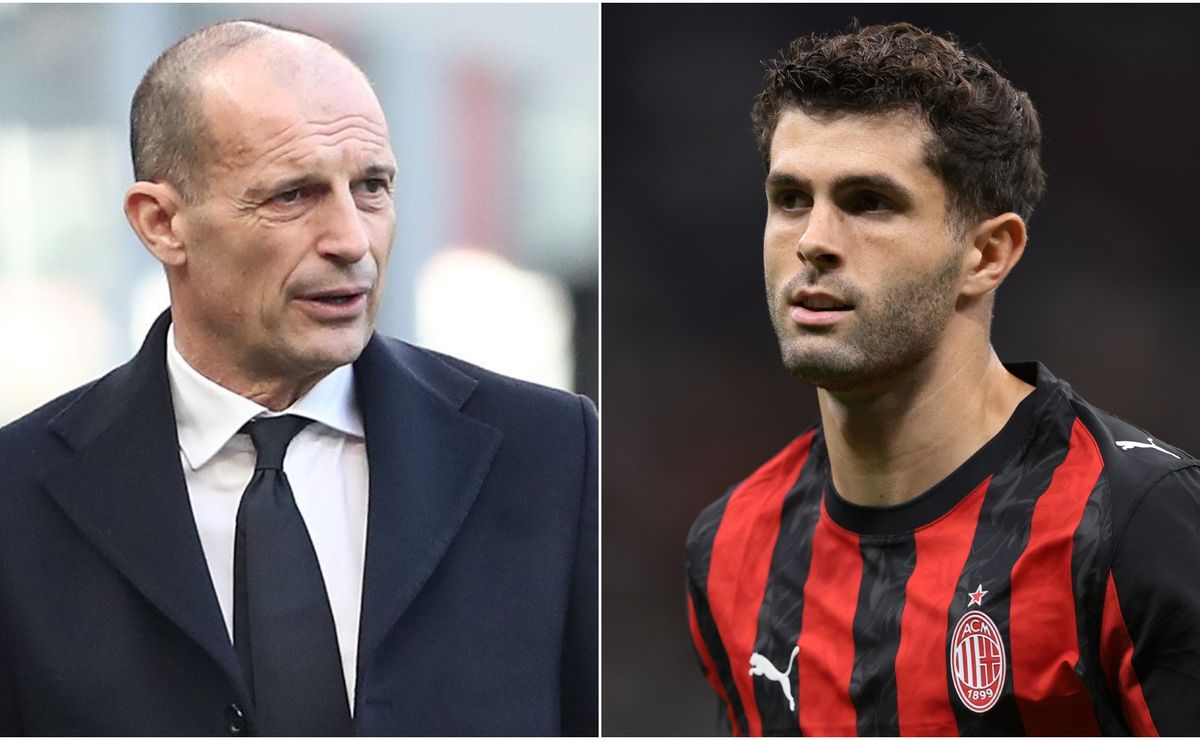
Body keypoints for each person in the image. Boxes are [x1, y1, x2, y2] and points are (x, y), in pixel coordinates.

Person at [0, 19, 596, 736]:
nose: (351, 240)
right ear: (161, 223)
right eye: (292, 195)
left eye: (372, 186)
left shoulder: (555, 454)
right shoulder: (20, 496)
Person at [685, 22, 1200, 736]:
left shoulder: (1136, 522)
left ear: (987, 254)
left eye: (869, 202)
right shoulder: (731, 548)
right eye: (792, 198)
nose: (814, 241)